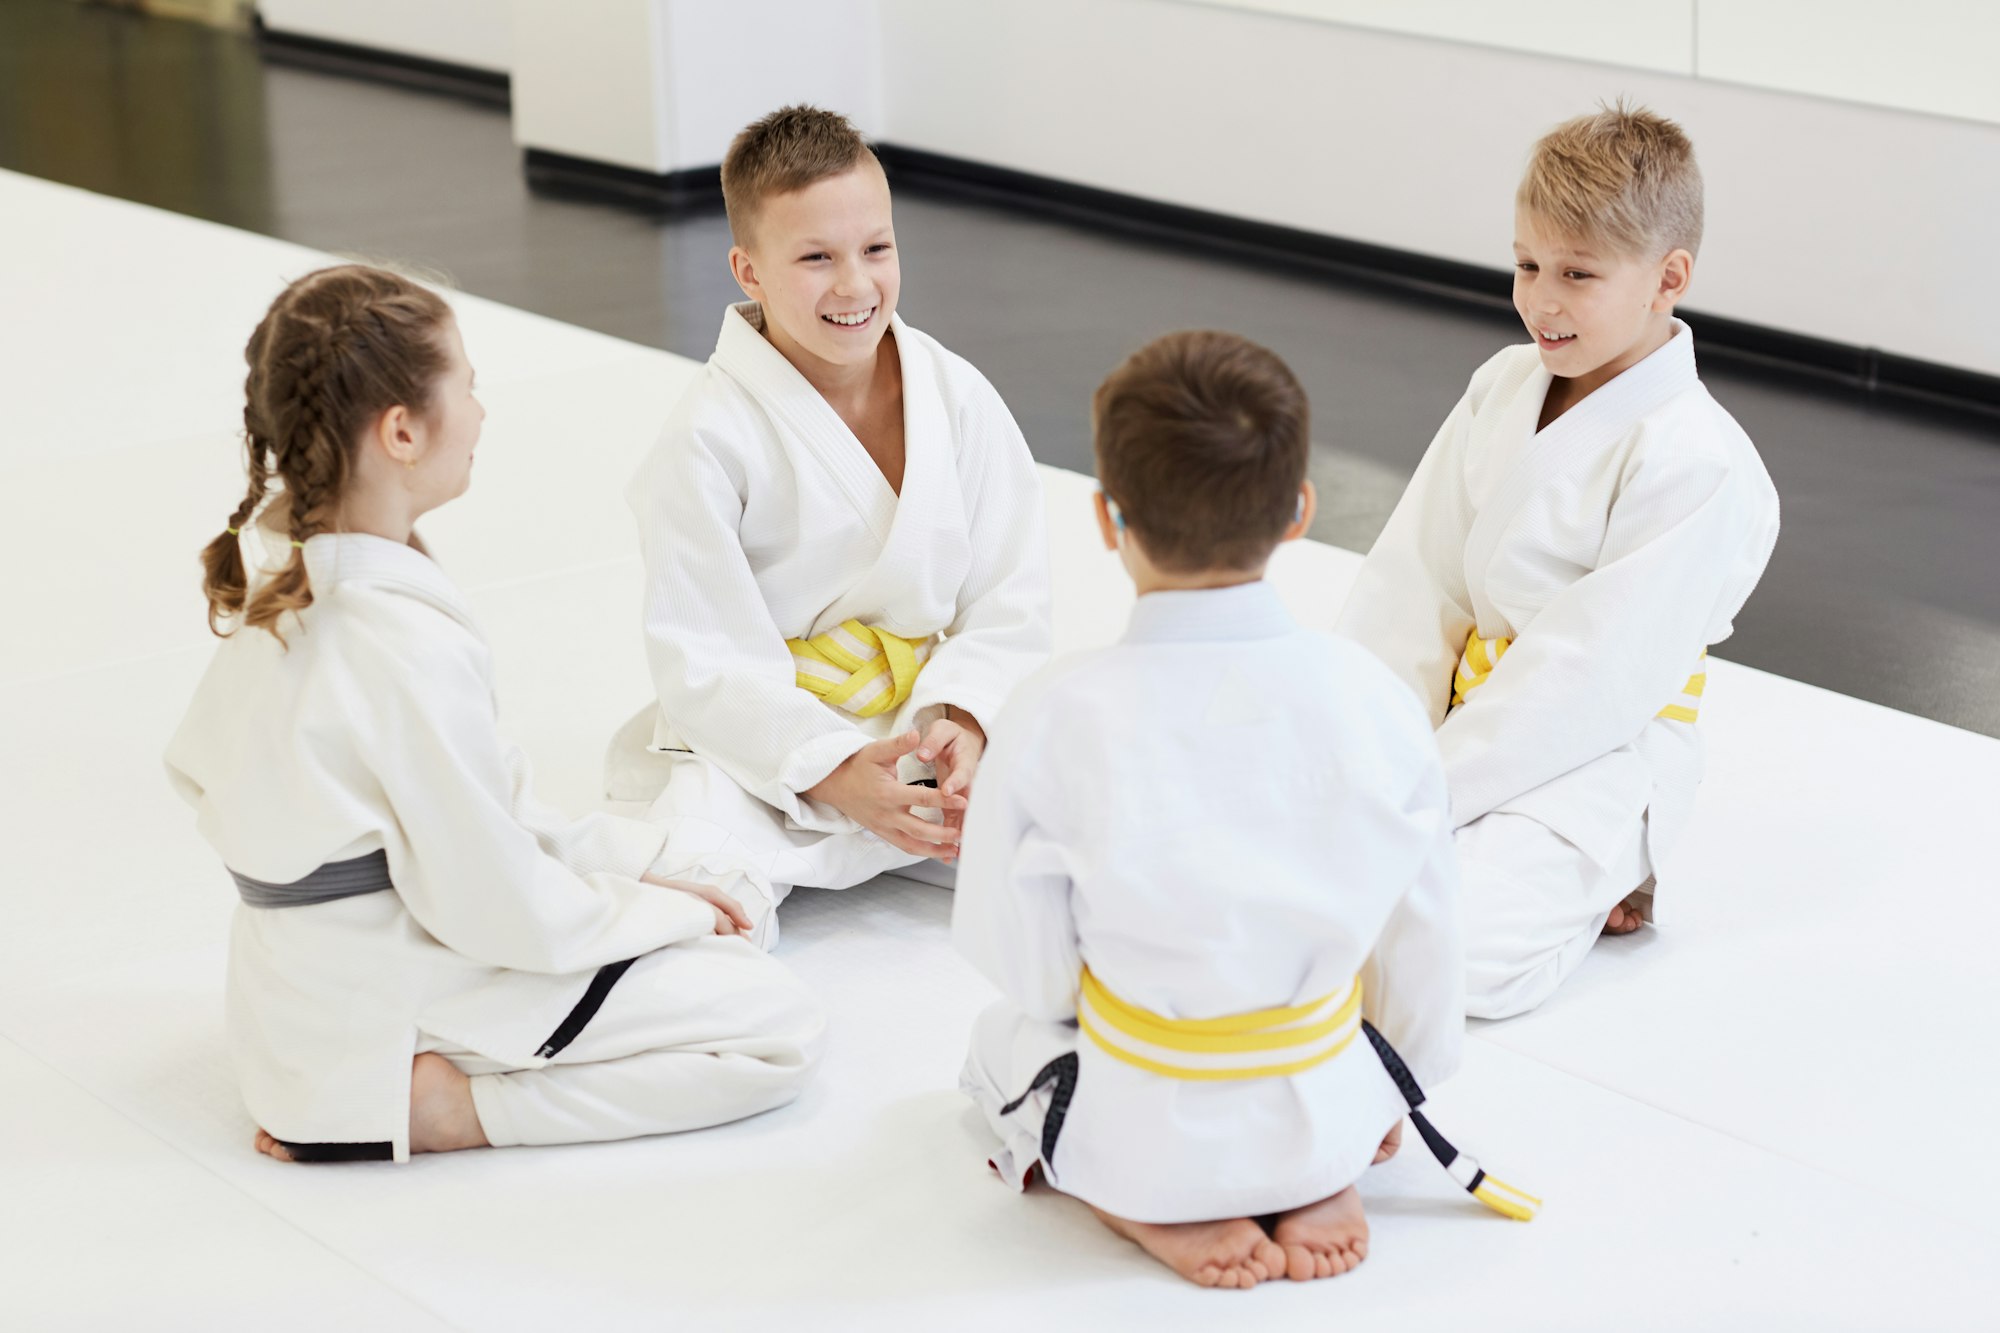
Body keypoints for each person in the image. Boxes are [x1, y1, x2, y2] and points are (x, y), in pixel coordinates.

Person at [166, 264, 824, 1164]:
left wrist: (646, 876)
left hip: (306, 990)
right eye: (467, 388)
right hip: (383, 1009)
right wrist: (664, 916)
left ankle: (644, 917)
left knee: (706, 870)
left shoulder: (290, 566)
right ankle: (457, 1111)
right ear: (401, 431)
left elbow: (469, 826)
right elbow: (499, 905)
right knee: (773, 1024)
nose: (481, 411)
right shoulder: (386, 640)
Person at [957, 331, 1521, 1289]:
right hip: (1323, 1093)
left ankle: (1143, 1198)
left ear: (1106, 518)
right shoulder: (1374, 697)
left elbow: (1030, 967)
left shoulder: (1053, 710)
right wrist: (1390, 1081)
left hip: (1149, 1117)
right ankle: (1315, 1169)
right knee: (1339, 1026)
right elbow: (1423, 939)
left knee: (996, 1045)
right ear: (1301, 511)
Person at [1336, 103, 1781, 1019]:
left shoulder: (1700, 460)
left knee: (1431, 959)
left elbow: (1593, 677)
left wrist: (1422, 798)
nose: (1542, 299)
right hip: (1461, 719)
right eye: (1527, 264)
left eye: (1579, 274)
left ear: (1669, 278)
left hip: (1596, 751)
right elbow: (1414, 579)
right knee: (1297, 856)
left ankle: (1614, 865)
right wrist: (1378, 753)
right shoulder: (1503, 384)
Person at [606, 105, 1052, 947]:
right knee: (703, 893)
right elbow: (707, 664)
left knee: (1101, 831)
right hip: (777, 753)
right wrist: (839, 772)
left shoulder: (954, 394)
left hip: (923, 731)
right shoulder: (705, 439)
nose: (855, 286)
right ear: (749, 270)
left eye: (875, 249)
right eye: (815, 257)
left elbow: (1010, 594)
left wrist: (965, 715)